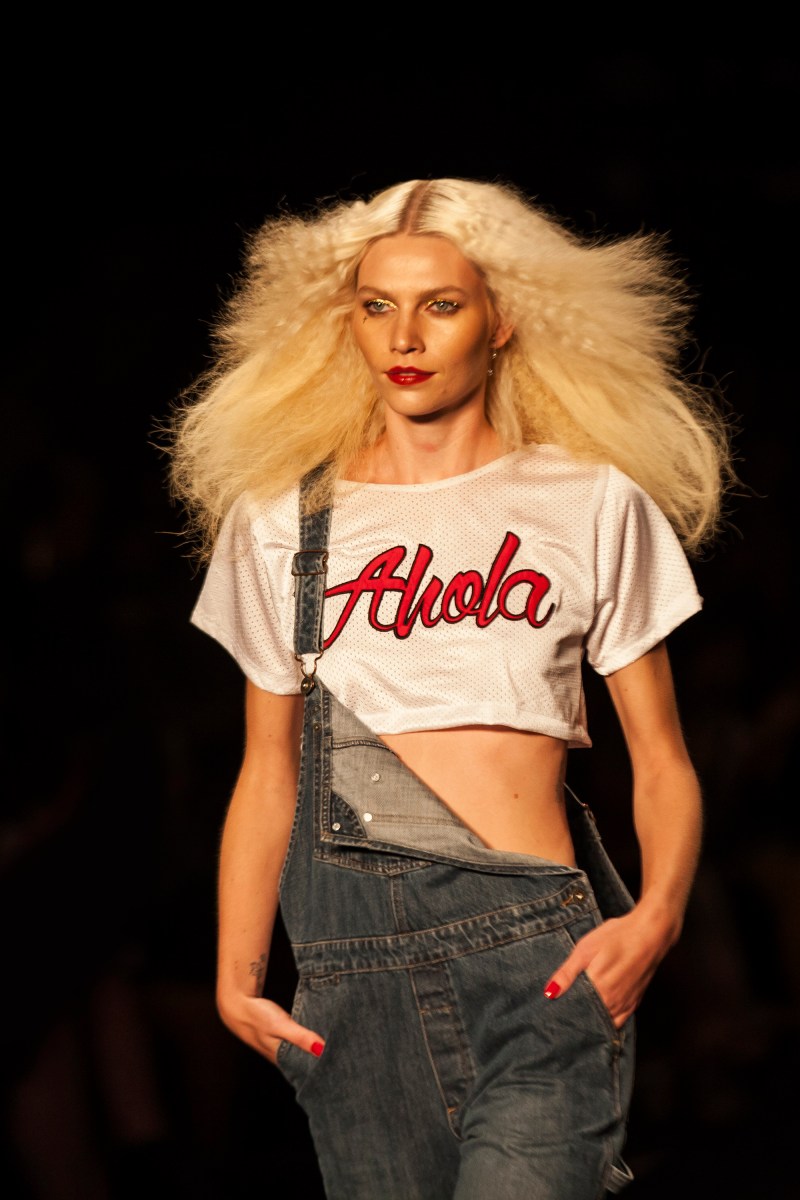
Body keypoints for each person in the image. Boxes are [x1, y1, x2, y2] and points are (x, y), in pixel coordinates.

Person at [165, 177, 733, 1198]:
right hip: (352, 980)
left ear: (502, 319)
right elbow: (267, 772)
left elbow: (661, 761)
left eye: (440, 304)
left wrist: (657, 916)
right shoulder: (282, 517)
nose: (404, 337)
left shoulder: (586, 501)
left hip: (533, 958)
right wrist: (236, 976)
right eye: (376, 306)